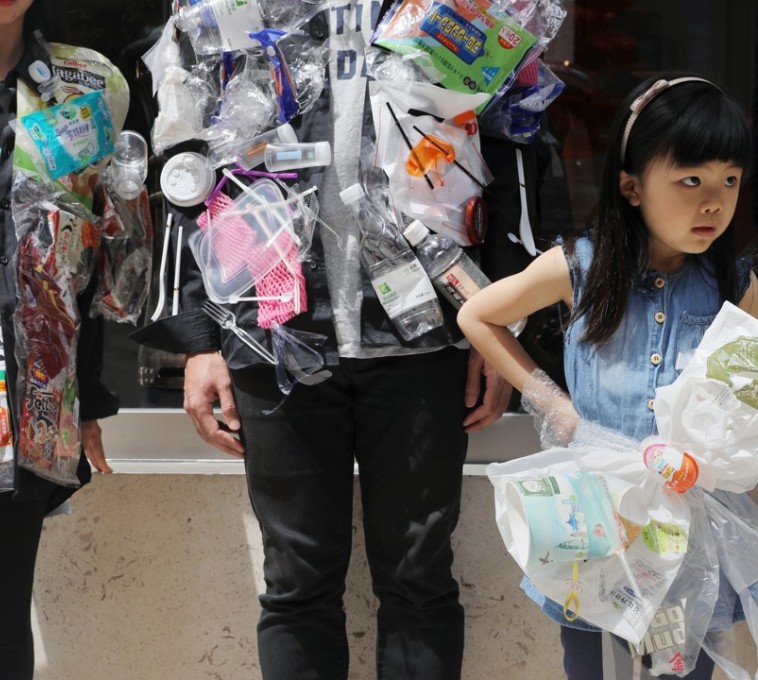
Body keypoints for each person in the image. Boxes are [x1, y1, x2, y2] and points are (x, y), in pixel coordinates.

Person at [131, 2, 536, 679]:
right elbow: (184, 160)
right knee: (295, 586)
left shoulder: (457, 11)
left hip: (424, 336)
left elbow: (516, 151)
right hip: (270, 332)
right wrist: (200, 337)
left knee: (419, 579)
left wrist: (501, 326)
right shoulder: (231, 7)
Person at [459, 74, 758, 680]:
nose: (713, 201)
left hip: (688, 529)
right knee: (593, 663)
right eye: (690, 180)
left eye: (730, 180)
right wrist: (551, 402)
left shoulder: (737, 285)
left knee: (683, 665)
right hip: (595, 527)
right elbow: (478, 315)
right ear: (630, 185)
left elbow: (744, 395)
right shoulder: (581, 266)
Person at [0, 0, 124, 678]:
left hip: (25, 390)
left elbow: (92, 253)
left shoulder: (82, 85)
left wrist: (90, 399)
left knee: (3, 614)